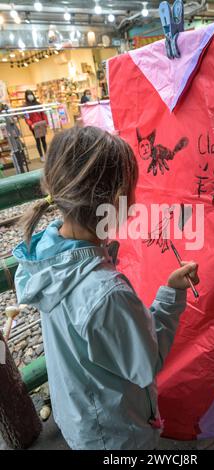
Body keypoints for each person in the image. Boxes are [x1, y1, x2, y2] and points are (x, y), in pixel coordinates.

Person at [13, 126, 199, 450]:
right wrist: (170, 296)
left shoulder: (47, 255)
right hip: (117, 437)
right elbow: (146, 364)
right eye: (134, 191)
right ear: (116, 201)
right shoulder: (107, 293)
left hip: (80, 418)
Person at [24, 90, 48, 162]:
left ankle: (46, 154)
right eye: (28, 95)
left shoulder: (38, 104)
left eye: (31, 94)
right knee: (37, 141)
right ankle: (41, 156)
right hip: (34, 126)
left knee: (43, 140)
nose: (30, 96)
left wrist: (46, 122)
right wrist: (31, 124)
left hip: (41, 124)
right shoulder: (25, 106)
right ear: (26, 96)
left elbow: (43, 113)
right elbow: (26, 117)